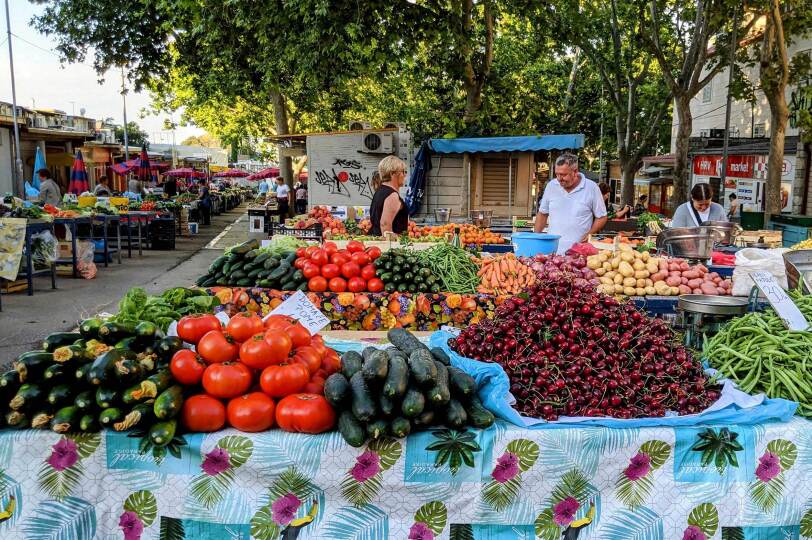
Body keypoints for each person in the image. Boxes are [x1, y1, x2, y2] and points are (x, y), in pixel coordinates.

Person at [534, 153, 607, 254]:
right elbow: (542, 214)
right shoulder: (551, 186)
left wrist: (589, 234)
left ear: (575, 172)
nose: (559, 178)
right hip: (552, 252)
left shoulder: (592, 188)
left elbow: (602, 216)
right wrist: (535, 239)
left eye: (563, 175)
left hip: (579, 253)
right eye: (557, 174)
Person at [370, 156, 410, 237]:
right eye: (403, 172)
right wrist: (392, 246)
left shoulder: (380, 191)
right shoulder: (392, 196)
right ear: (392, 174)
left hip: (377, 241)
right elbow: (385, 226)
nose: (405, 175)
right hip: (389, 245)